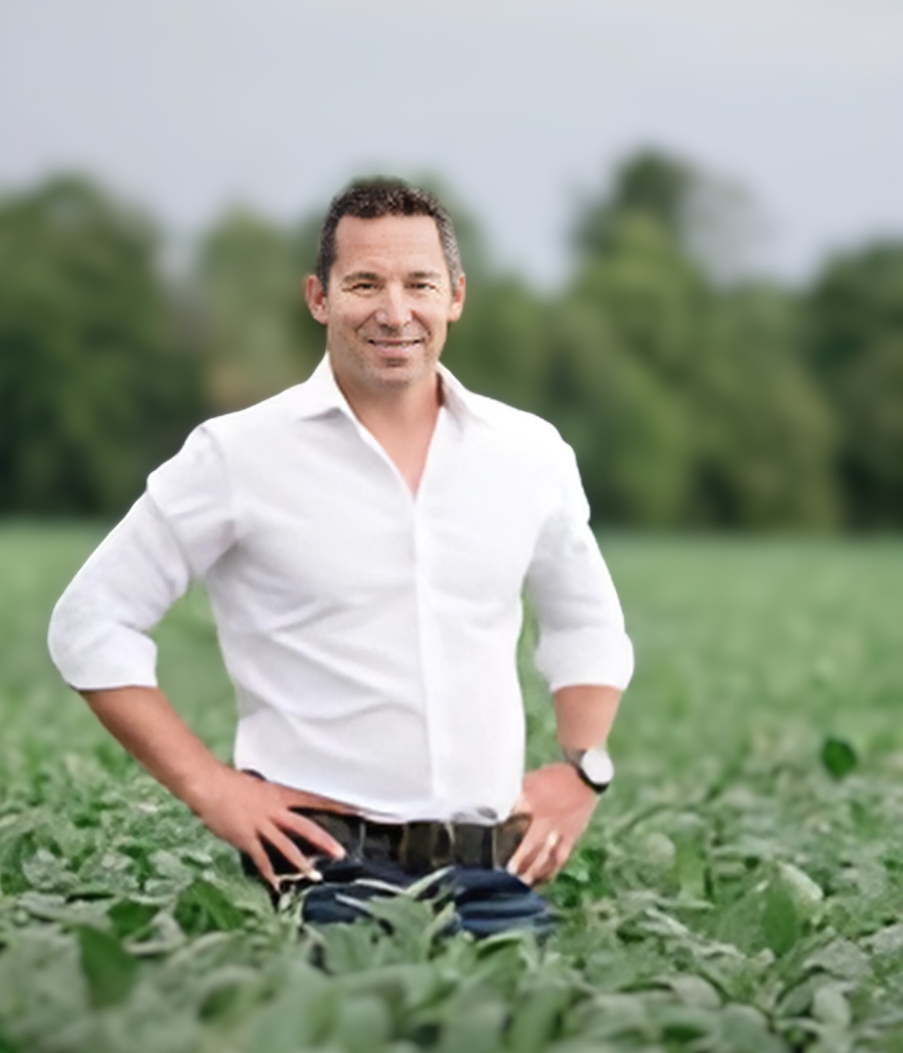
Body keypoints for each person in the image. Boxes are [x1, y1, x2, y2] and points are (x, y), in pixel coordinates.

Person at [47, 178, 633, 937]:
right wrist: (212, 789)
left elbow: (584, 622)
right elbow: (91, 623)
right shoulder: (237, 455)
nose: (396, 312)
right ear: (319, 298)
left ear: (455, 295)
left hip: (493, 875)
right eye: (365, 284)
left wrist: (583, 770)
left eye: (419, 284)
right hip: (320, 874)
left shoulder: (528, 453)